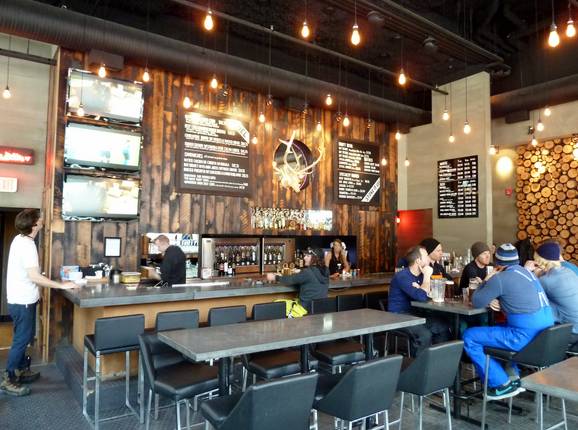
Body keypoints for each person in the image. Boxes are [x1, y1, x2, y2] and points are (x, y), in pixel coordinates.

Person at [1, 209, 78, 397]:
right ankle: (8, 379)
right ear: (34, 225)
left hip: (21, 299)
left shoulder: (20, 239)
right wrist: (61, 285)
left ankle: (21, 370)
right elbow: (34, 276)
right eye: (39, 218)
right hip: (23, 301)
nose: (42, 220)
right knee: (21, 340)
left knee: (24, 337)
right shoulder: (27, 245)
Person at [463, 243, 554, 400]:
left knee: (469, 336)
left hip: (525, 338)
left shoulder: (500, 278)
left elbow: (477, 301)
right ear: (517, 260)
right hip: (545, 336)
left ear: (498, 263)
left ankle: (500, 384)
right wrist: (501, 301)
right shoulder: (528, 273)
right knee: (496, 328)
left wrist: (486, 279)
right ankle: (513, 376)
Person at [388, 245, 451, 356]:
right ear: (418, 261)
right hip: (399, 316)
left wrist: (422, 288)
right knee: (424, 335)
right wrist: (426, 277)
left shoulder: (420, 276)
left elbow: (430, 294)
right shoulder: (403, 276)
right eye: (426, 256)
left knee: (442, 326)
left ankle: (438, 362)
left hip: (416, 314)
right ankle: (419, 365)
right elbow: (422, 297)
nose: (428, 258)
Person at [527, 242, 578, 352]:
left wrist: (527, 271)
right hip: (574, 327)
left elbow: (524, 293)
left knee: (529, 326)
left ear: (540, 261)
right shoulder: (568, 271)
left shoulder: (546, 281)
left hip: (571, 332)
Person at [267, 248, 329, 313]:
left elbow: (290, 280)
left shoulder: (307, 272)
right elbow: (312, 278)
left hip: (304, 309)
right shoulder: (326, 271)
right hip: (320, 310)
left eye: (308, 256)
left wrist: (275, 277)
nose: (304, 258)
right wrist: (301, 272)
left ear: (315, 258)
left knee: (276, 305)